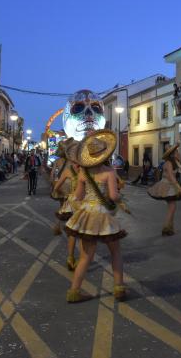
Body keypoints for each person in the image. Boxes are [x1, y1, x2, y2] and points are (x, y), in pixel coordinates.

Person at [64, 129, 127, 302]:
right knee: (115, 252)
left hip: (86, 215)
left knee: (85, 256)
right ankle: (119, 287)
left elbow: (77, 197)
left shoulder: (83, 173)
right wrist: (120, 199)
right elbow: (113, 197)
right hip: (103, 216)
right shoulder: (110, 172)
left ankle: (74, 291)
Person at [53, 139, 81, 271]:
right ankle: (83, 259)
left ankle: (70, 257)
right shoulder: (86, 171)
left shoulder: (66, 169)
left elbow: (55, 180)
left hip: (70, 201)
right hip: (84, 205)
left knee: (72, 232)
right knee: (84, 233)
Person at [147, 144, 181, 236]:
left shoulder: (173, 162)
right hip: (168, 186)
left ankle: (170, 228)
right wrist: (178, 187)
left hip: (170, 185)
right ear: (172, 154)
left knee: (172, 208)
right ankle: (166, 228)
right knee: (172, 208)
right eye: (176, 152)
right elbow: (170, 176)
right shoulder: (169, 163)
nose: (178, 153)